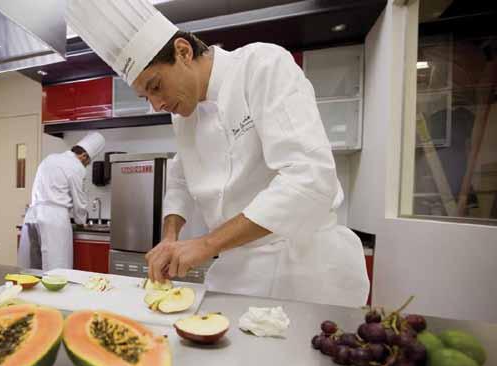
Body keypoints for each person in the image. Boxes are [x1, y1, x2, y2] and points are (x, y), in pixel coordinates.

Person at [66, 0, 369, 306]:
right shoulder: (183, 116)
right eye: (146, 97)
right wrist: (170, 236)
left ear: (183, 52)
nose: (156, 105)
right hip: (240, 270)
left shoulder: (262, 66)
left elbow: (310, 179)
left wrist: (207, 244)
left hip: (305, 270)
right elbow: (180, 179)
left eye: (156, 86)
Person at [18, 132, 105, 270]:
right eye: (88, 162)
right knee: (56, 268)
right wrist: (81, 221)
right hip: (54, 218)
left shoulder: (50, 158)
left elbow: (36, 186)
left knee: (32, 267)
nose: (86, 165)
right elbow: (79, 200)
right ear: (83, 156)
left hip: (32, 215)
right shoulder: (76, 167)